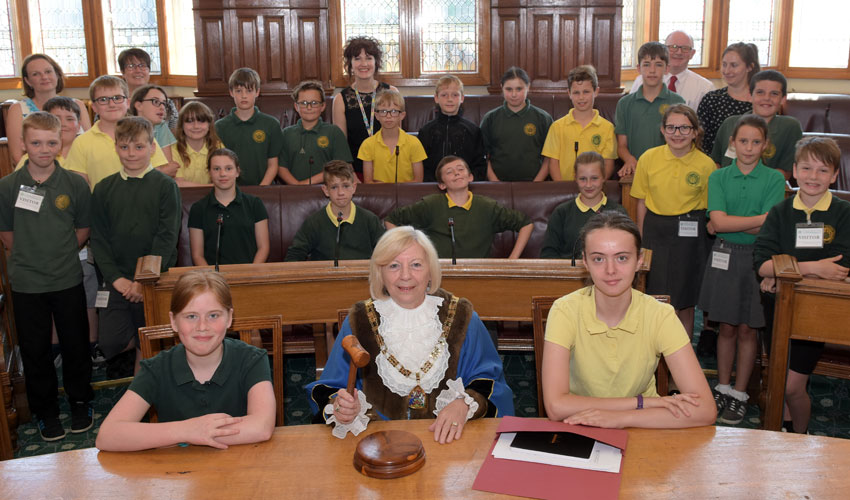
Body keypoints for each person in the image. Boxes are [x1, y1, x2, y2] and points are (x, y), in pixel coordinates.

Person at [306, 227, 514, 442]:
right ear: (380, 273)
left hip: (450, 438)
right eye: (394, 266)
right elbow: (331, 387)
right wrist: (343, 407)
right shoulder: (359, 321)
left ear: (431, 271)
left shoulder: (463, 317)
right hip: (378, 443)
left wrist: (464, 403)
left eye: (416, 265)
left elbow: (489, 381)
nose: (405, 276)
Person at [541, 212, 716, 428]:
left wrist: (620, 418)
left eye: (622, 257)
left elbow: (706, 409)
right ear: (585, 261)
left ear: (639, 261)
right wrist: (642, 402)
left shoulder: (660, 315)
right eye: (598, 258)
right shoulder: (564, 310)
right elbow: (556, 406)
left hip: (643, 426)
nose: (610, 270)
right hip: (581, 426)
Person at [95, 270, 276, 451]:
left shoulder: (251, 359)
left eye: (213, 315)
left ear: (229, 317)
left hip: (241, 470)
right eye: (191, 316)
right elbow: (108, 435)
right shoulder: (157, 368)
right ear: (173, 321)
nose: (202, 327)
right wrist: (187, 430)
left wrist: (201, 432)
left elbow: (261, 426)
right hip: (178, 474)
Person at [0, 112, 94, 441]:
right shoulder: (8, 186)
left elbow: (82, 229)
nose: (44, 149)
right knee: (35, 349)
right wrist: (33, 256)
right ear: (24, 144)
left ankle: (81, 401)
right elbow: (7, 234)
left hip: (66, 276)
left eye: (51, 142)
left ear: (60, 143)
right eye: (36, 142)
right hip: (27, 282)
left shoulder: (74, 184)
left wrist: (60, 253)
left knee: (76, 343)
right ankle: (46, 411)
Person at [754, 136, 850, 434]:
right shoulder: (780, 212)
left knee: (793, 385)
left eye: (823, 170)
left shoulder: (844, 213)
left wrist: (783, 272)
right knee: (779, 378)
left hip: (817, 310)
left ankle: (801, 434)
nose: (813, 177)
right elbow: (762, 264)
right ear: (794, 170)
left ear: (835, 175)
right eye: (806, 168)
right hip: (778, 307)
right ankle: (782, 428)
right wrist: (812, 268)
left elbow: (841, 268)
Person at [698, 115, 785, 425]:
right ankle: (722, 386)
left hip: (757, 259)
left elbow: (768, 230)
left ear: (765, 145)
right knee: (726, 327)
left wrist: (730, 224)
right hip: (723, 256)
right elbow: (718, 224)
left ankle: (739, 393)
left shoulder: (775, 179)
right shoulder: (719, 177)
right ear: (733, 143)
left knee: (749, 329)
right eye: (743, 141)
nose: (749, 148)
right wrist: (758, 219)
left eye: (756, 142)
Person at [91, 117, 181, 378]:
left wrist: (143, 281)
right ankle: (134, 356)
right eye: (124, 147)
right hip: (117, 279)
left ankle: (145, 378)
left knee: (152, 338)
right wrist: (117, 279)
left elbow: (166, 238)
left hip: (153, 278)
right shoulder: (104, 188)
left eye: (139, 147)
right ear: (116, 147)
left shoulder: (165, 186)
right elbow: (99, 239)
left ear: (152, 147)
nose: (131, 154)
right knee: (109, 342)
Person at [630, 104, 715, 340]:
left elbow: (708, 209)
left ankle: (683, 355)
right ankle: (655, 353)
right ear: (662, 130)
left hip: (691, 233)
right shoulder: (649, 158)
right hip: (656, 231)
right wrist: (640, 236)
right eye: (671, 127)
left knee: (685, 300)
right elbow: (641, 202)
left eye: (684, 128)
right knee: (656, 296)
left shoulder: (706, 165)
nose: (677, 133)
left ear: (695, 132)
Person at [385, 156, 533, 259]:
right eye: (449, 172)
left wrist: (512, 259)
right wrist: (408, 252)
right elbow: (391, 220)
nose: (456, 173)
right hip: (439, 273)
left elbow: (526, 223)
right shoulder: (430, 205)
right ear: (442, 185)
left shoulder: (487, 207)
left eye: (460, 169)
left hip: (478, 274)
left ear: (470, 177)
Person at [65, 75, 168, 190]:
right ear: (94, 107)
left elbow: (157, 175)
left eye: (117, 98)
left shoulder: (142, 135)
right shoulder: (81, 143)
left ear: (128, 103)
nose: (112, 104)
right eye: (103, 100)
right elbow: (80, 186)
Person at [711, 70, 802, 181]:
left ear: (783, 99)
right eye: (760, 92)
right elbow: (716, 164)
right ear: (750, 96)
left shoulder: (790, 127)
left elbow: (785, 172)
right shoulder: (730, 123)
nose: (767, 98)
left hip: (766, 191)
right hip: (726, 187)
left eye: (774, 93)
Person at [285, 161, 384, 261]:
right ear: (326, 190)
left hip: (362, 275)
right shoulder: (314, 222)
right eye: (334, 187)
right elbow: (294, 256)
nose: (340, 193)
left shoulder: (370, 220)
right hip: (325, 275)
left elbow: (387, 252)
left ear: (353, 188)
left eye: (345, 186)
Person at [188, 148, 270, 266]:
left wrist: (252, 273)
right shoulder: (198, 208)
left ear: (237, 172)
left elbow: (264, 248)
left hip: (249, 274)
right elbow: (197, 255)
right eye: (216, 169)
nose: (223, 174)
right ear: (209, 173)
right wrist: (213, 279)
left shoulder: (255, 204)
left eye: (228, 168)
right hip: (214, 279)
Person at [5, 54, 92, 165]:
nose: (44, 77)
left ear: (57, 74)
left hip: (79, 169)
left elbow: (89, 143)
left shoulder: (77, 105)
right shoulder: (17, 109)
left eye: (48, 72)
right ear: (28, 81)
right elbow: (16, 157)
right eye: (36, 74)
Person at [615, 42, 686, 177]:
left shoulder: (678, 102)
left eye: (658, 65)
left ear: (667, 69)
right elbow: (621, 146)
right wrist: (629, 160)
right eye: (646, 64)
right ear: (638, 68)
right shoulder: (624, 104)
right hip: (636, 170)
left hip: (669, 171)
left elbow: (682, 143)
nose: (652, 70)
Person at [540, 152, 626, 259]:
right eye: (583, 179)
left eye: (594, 178)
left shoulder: (618, 212)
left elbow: (625, 251)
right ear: (575, 178)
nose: (588, 185)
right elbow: (548, 254)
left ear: (604, 177)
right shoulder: (561, 213)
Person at [333, 37, 398, 178]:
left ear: (376, 62)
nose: (363, 64)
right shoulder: (341, 100)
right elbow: (341, 146)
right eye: (357, 59)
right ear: (350, 64)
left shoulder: (391, 92)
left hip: (389, 167)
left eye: (368, 58)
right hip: (356, 172)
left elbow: (398, 136)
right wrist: (351, 174)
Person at [543, 65, 617, 180]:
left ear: (596, 92)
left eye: (586, 92)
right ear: (569, 94)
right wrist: (563, 189)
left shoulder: (607, 128)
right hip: (564, 190)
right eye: (576, 93)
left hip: (595, 190)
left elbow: (608, 164)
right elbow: (553, 164)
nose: (581, 97)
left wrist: (595, 185)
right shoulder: (557, 127)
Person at [481, 67, 552, 182]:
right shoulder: (490, 118)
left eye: (519, 89)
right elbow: (483, 156)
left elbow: (549, 158)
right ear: (501, 88)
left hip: (535, 184)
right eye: (509, 89)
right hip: (497, 183)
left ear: (528, 87)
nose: (514, 94)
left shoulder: (543, 118)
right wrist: (495, 182)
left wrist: (537, 183)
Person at [214, 68, 284, 186]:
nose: (244, 96)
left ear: (257, 92)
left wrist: (262, 188)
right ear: (231, 92)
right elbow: (218, 166)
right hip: (231, 190)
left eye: (249, 90)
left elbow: (273, 164)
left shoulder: (271, 124)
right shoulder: (220, 127)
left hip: (264, 188)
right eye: (239, 91)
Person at [278, 80, 352, 185]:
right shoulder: (286, 134)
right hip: (293, 191)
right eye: (303, 103)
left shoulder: (334, 132)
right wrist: (296, 185)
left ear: (323, 106)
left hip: (326, 191)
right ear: (296, 107)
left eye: (314, 103)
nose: (309, 107)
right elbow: (280, 166)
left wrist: (307, 183)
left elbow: (342, 167)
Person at [417, 75, 487, 182]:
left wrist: (471, 178)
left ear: (462, 98)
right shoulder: (425, 131)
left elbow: (480, 164)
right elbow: (422, 165)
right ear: (436, 98)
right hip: (434, 186)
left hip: (464, 186)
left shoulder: (473, 131)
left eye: (455, 95)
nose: (449, 99)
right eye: (444, 95)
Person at [698, 42, 759, 156]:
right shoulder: (711, 100)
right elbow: (700, 141)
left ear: (749, 67)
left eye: (734, 65)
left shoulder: (760, 102)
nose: (727, 71)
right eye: (724, 64)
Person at [629, 30, 714, 111]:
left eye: (685, 48)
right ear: (664, 50)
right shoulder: (641, 81)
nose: (679, 52)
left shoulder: (705, 88)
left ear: (692, 53)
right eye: (673, 47)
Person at [358, 90, 426, 183]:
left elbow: (418, 180)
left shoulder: (414, 143)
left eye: (394, 111)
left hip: (407, 195)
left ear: (402, 115)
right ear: (377, 115)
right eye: (383, 111)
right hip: (379, 196)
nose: (388, 116)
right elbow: (368, 182)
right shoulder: (367, 144)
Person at [118, 47, 179, 130]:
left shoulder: (167, 103)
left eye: (142, 65)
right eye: (131, 66)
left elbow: (176, 132)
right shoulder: (114, 103)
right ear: (122, 72)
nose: (138, 70)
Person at [130, 84, 179, 176]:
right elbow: (133, 171)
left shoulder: (161, 127)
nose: (162, 107)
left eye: (164, 103)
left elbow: (170, 168)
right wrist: (161, 171)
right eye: (155, 102)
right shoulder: (127, 130)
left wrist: (159, 170)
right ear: (139, 105)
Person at [173, 101, 221, 186]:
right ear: (182, 125)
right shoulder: (173, 149)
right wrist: (209, 187)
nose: (196, 126)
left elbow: (223, 179)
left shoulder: (218, 147)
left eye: (201, 121)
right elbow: (178, 183)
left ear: (209, 125)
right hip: (184, 197)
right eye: (189, 121)